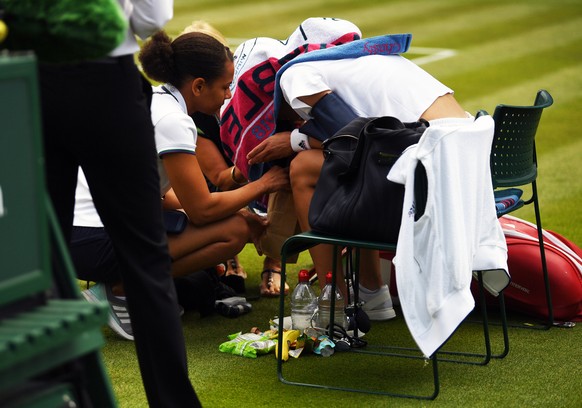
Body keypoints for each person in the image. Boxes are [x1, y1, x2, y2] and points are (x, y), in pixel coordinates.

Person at [236, 18, 470, 322]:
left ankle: (332, 307)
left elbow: (355, 141)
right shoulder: (369, 62)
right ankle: (372, 293)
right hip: (463, 176)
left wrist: (294, 140)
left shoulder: (296, 73)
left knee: (305, 168)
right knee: (347, 168)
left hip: (427, 181)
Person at [38, 1, 202, 406]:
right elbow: (151, 19)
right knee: (146, 259)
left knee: (42, 260)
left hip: (29, 78)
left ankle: (53, 394)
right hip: (103, 81)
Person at [137, 31, 289, 286]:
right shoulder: (174, 120)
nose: (229, 95)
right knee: (235, 231)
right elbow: (202, 212)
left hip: (88, 227)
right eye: (225, 86)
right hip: (100, 236)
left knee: (235, 221)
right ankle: (124, 287)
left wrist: (238, 210)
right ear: (198, 86)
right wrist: (264, 184)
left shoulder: (155, 99)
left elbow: (158, 196)